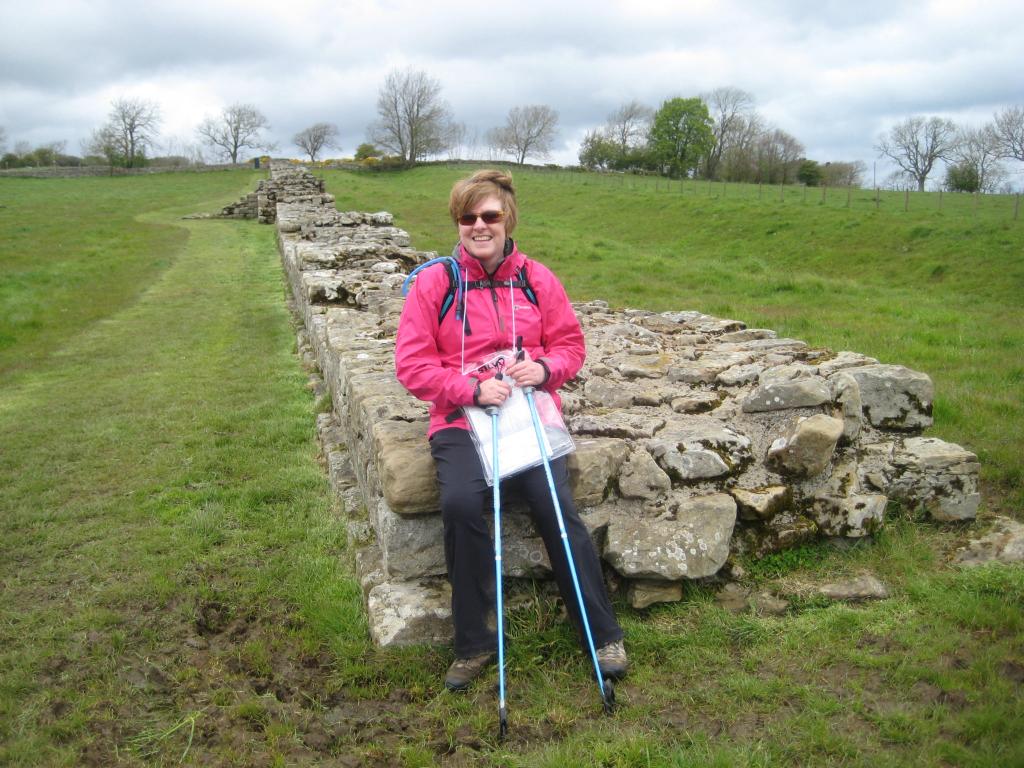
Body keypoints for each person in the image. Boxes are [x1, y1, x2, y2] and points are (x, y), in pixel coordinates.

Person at [395, 169, 627, 690]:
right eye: (468, 217)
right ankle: (474, 643)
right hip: (460, 420)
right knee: (459, 504)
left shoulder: (537, 279)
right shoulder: (436, 282)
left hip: (527, 419)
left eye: (490, 216)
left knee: (554, 505)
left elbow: (570, 346)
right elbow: (411, 366)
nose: (479, 226)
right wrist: (469, 391)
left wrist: (544, 371)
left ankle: (600, 633)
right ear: (457, 223)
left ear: (508, 220)